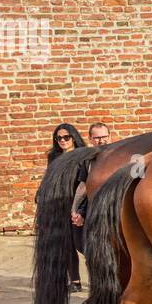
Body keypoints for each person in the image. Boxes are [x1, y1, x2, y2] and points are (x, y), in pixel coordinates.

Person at [48, 124, 86, 291]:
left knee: (82, 243)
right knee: (67, 243)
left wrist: (78, 207)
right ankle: (75, 281)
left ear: (73, 137)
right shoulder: (54, 156)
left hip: (78, 204)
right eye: (59, 138)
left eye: (66, 137)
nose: (62, 141)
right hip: (59, 204)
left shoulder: (82, 156)